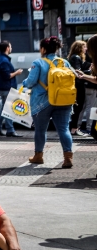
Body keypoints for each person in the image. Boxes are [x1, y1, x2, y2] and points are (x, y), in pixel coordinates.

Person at [22, 36, 74, 168]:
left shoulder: (38, 63)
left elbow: (31, 82)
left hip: (42, 102)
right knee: (63, 129)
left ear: (44, 49)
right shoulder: (64, 62)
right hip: (63, 100)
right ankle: (68, 157)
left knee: (40, 130)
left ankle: (38, 156)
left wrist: (24, 83)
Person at [0, 41, 23, 138]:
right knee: (9, 109)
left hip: (3, 87)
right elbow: (7, 75)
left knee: (4, 109)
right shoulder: (4, 61)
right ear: (7, 48)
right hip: (7, 87)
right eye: (10, 46)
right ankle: (10, 130)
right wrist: (17, 73)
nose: (11, 48)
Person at [67, 40, 88, 136]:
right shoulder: (76, 57)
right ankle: (74, 129)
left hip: (77, 85)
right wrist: (89, 71)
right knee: (78, 107)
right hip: (78, 86)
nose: (86, 49)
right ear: (79, 48)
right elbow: (77, 72)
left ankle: (74, 128)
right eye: (84, 47)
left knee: (77, 107)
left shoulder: (75, 57)